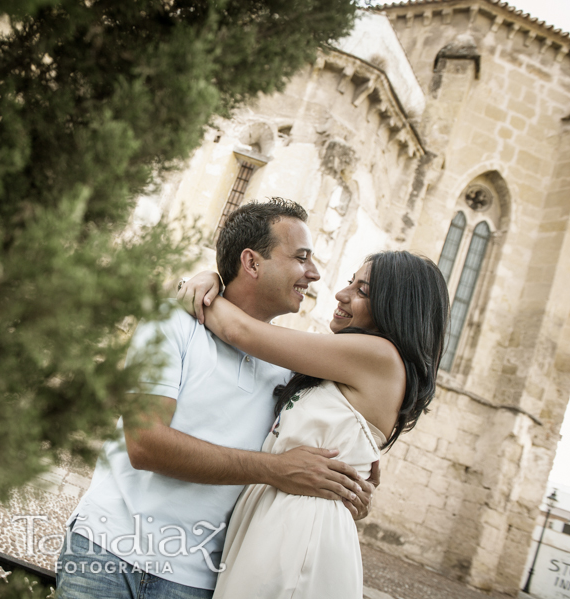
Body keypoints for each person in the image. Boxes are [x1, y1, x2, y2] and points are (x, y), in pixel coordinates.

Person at [56, 199, 376, 599]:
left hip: (196, 577)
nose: (313, 274)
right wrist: (273, 469)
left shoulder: (296, 371)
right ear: (253, 263)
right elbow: (145, 444)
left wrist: (349, 487)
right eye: (301, 258)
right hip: (106, 549)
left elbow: (325, 452)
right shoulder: (171, 320)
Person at [177, 250, 450, 598]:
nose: (342, 293)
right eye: (351, 282)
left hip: (300, 530)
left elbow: (239, 330)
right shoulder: (344, 362)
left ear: (397, 307)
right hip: (274, 518)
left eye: (363, 290)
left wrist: (196, 284)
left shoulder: (379, 356)